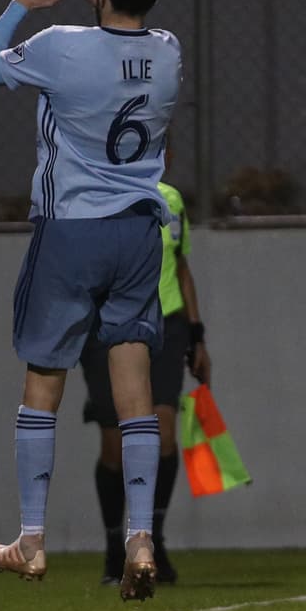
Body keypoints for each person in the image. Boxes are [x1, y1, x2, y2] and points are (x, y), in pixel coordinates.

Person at [0, 0, 181, 601]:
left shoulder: (60, 45)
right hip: (138, 233)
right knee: (135, 389)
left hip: (71, 231)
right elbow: (124, 44)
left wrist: (21, 4)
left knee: (44, 380)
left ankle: (32, 535)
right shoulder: (170, 52)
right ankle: (140, 534)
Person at [80, 147, 211, 586]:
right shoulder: (97, 197)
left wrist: (197, 335)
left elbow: (181, 267)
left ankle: (152, 536)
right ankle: (115, 541)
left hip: (166, 325)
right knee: (116, 444)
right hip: (111, 327)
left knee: (165, 433)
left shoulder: (171, 201)